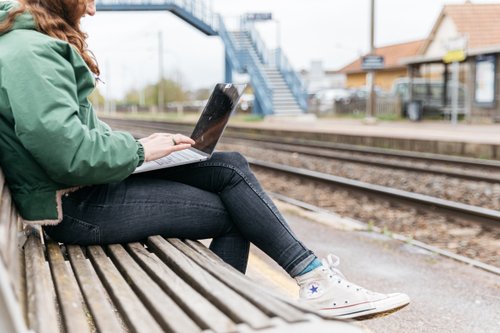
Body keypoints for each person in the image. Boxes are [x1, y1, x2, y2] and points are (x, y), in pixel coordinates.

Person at [0, 0, 410, 319]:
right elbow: (65, 154)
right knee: (238, 211)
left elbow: (73, 135)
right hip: (72, 206)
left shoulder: (29, 45)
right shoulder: (31, 53)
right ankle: (289, 293)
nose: (92, 8)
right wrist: (141, 151)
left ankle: (315, 281)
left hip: (81, 191)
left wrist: (149, 145)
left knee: (230, 166)